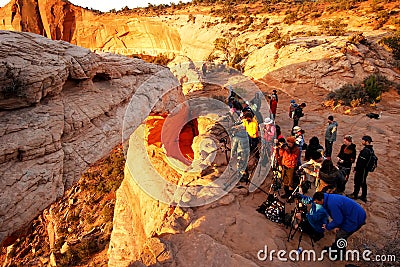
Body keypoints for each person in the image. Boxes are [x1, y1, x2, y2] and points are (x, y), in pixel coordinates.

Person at [315, 192, 366, 260]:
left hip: (355, 218)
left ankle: (339, 255)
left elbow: (338, 220)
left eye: (317, 202)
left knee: (341, 235)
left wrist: (328, 226)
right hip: (353, 214)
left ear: (321, 200)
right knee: (340, 234)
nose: (317, 204)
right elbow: (339, 216)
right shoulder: (329, 198)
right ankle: (334, 248)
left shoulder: (331, 204)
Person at [347, 135, 374, 202]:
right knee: (362, 182)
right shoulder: (370, 150)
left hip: (362, 170)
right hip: (365, 170)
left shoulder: (366, 151)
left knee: (358, 181)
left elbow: (361, 162)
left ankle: (356, 194)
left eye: (363, 140)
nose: (362, 141)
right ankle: (363, 195)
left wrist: (356, 168)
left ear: (366, 141)